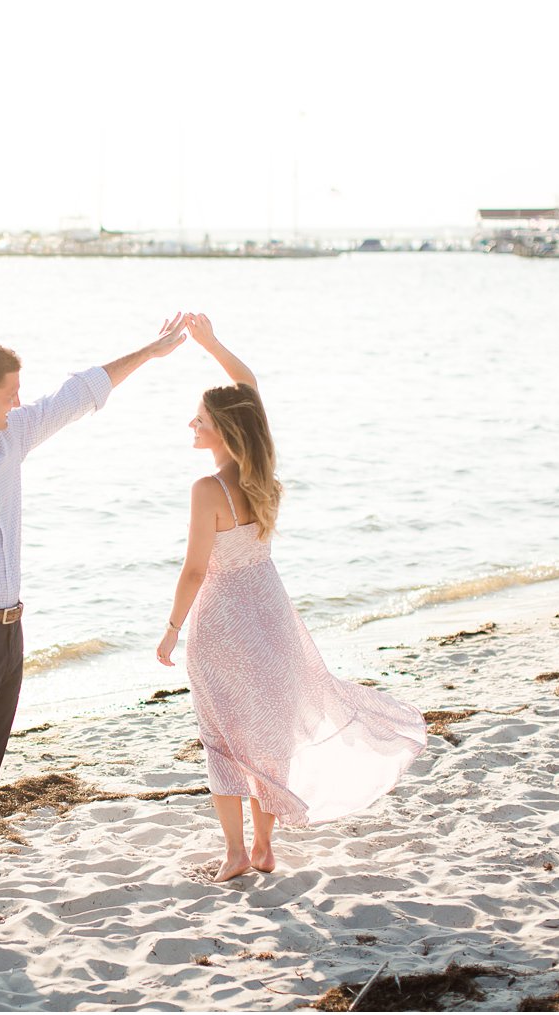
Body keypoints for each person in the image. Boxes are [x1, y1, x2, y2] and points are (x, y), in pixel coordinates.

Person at [0, 314, 189, 948]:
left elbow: (77, 394)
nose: (21, 401)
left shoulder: (7, 439)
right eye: (11, 391)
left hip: (10, 632)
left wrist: (150, 354)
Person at [156, 313, 427, 882]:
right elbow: (248, 388)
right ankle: (263, 849)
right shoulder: (262, 472)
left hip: (223, 622)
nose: (191, 424)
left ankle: (235, 854)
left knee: (223, 739)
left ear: (223, 432)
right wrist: (211, 345)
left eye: (200, 420)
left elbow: (194, 569)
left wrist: (172, 628)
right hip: (272, 613)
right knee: (266, 735)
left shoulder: (207, 489)